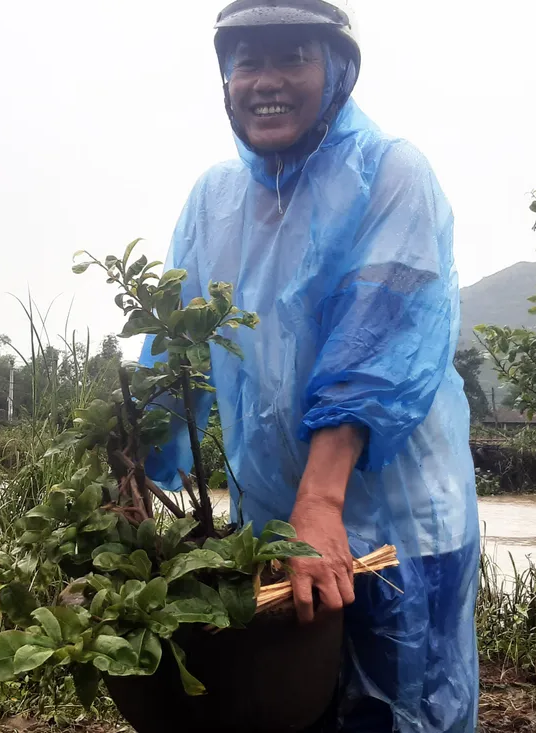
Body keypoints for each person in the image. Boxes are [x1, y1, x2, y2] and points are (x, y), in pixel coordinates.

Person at [138, 1, 480, 731]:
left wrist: (320, 502)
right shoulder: (212, 201)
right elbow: (170, 351)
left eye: (293, 57)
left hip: (399, 535)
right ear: (225, 80)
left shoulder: (392, 173)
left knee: (402, 712)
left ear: (338, 72)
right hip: (271, 529)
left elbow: (377, 348)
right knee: (290, 713)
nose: (266, 81)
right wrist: (135, 478)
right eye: (247, 63)